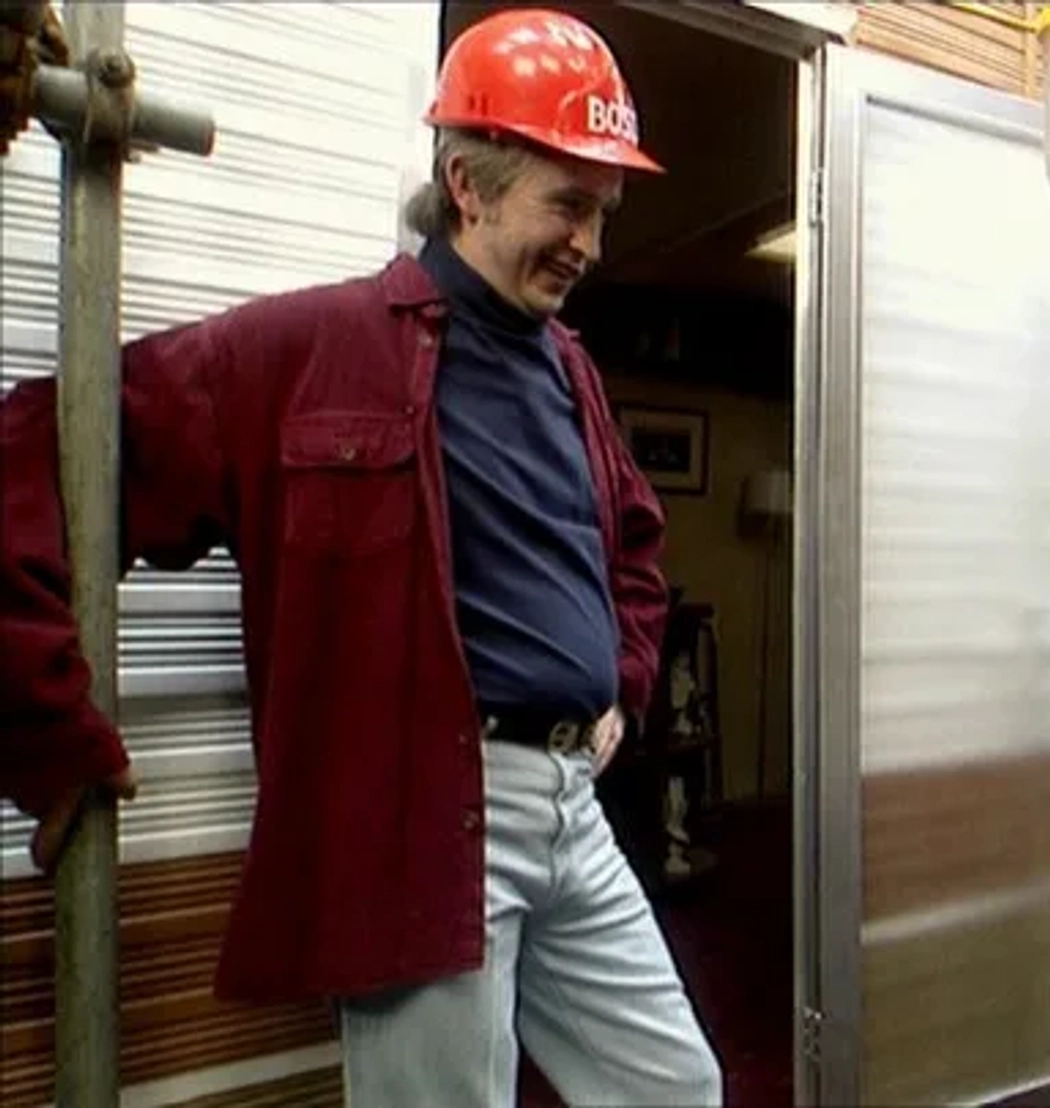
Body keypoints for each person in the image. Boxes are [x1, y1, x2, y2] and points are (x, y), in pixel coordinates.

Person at [0, 9, 722, 1105]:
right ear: (467, 185)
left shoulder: (569, 369)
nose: (591, 245)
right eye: (568, 205)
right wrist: (47, 729)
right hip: (417, 810)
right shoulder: (310, 348)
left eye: (604, 212)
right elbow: (37, 455)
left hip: (572, 797)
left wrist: (620, 677)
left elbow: (632, 541)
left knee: (675, 1086)